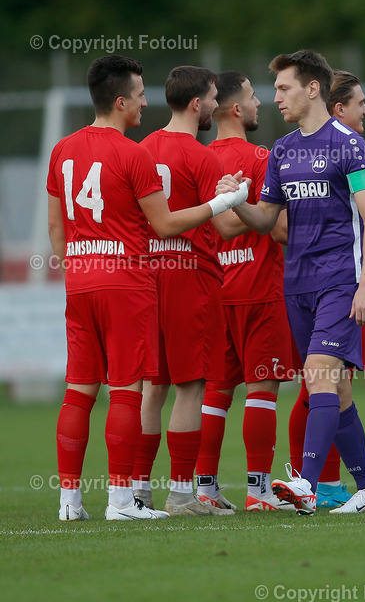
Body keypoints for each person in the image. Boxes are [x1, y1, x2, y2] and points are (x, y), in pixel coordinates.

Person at [48, 54, 247, 521]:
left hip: (80, 281)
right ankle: (123, 501)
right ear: (120, 101)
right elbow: (165, 224)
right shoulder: (132, 152)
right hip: (128, 281)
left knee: (79, 390)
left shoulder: (63, 149)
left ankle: (70, 502)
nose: (144, 103)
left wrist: (75, 267)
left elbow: (56, 226)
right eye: (138, 95)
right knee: (127, 390)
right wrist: (224, 200)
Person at [219, 49, 365, 514]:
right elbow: (265, 220)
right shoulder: (283, 150)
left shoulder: (347, 143)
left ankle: (306, 485)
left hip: (341, 281)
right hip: (297, 284)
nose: (276, 98)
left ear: (313, 88)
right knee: (338, 388)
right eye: (274, 91)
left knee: (316, 378)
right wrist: (234, 200)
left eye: (284, 88)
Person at [134, 66, 243, 516]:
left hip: (144, 275)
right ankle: (182, 494)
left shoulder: (140, 148)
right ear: (197, 103)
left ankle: (136, 492)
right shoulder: (202, 157)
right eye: (214, 98)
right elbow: (223, 226)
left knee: (151, 387)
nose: (216, 106)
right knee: (191, 386)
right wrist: (236, 197)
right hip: (190, 275)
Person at [195, 71, 297, 512]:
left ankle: (205, 488)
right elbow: (281, 230)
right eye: (256, 97)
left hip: (215, 289)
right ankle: (259, 491)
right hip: (259, 288)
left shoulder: (200, 159)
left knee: (216, 391)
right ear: (237, 108)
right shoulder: (262, 156)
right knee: (263, 387)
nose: (262, 104)